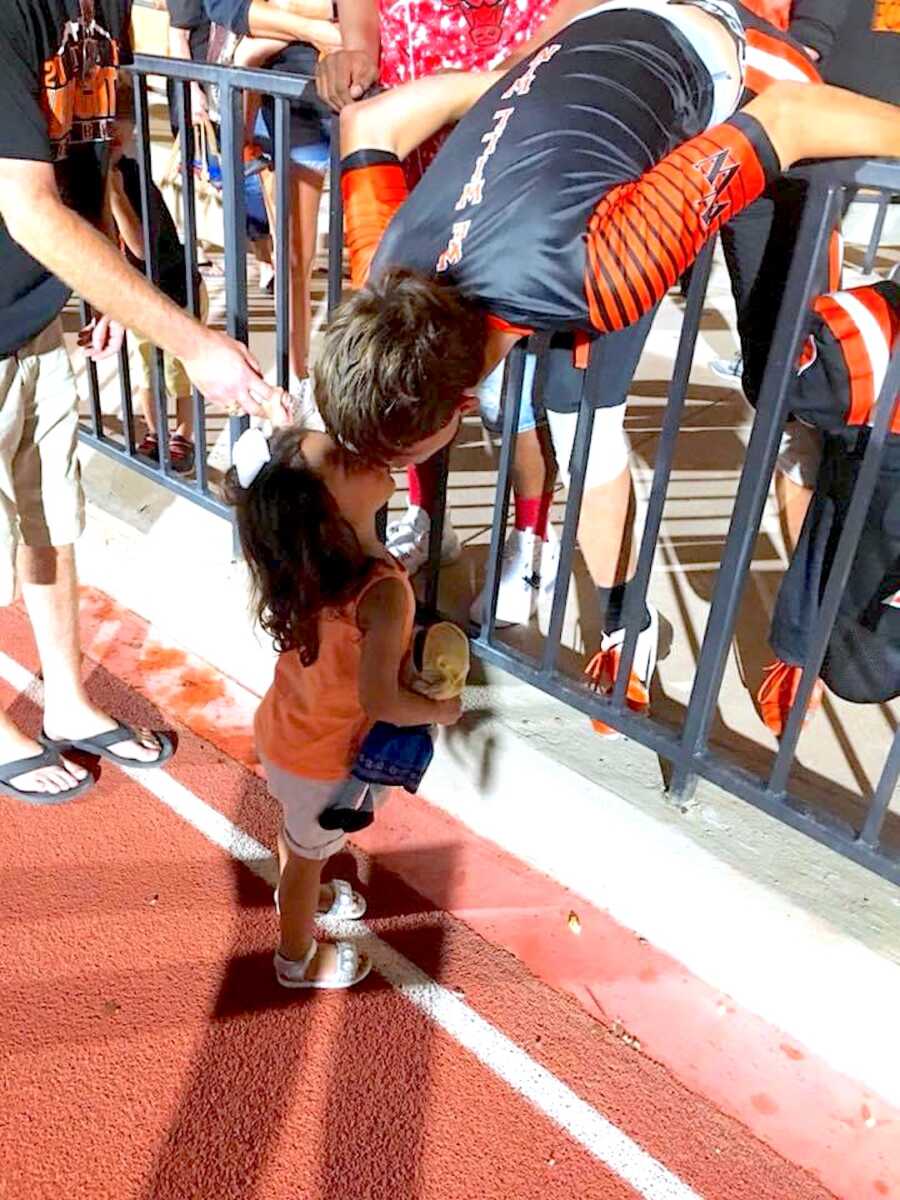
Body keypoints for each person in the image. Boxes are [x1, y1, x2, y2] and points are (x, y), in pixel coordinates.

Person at [315, 0, 900, 723]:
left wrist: (522, 79)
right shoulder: (379, 271)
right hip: (604, 109)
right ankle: (630, 627)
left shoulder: (598, 267)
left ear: (462, 407)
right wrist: (511, 83)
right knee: (574, 413)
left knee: (791, 378)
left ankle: (802, 643)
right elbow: (367, 125)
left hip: (746, 82)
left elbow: (792, 120)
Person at [0, 0, 273, 805]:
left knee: (53, 513)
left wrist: (95, 277)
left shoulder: (103, 6)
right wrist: (194, 343)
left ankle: (71, 705)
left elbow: (99, 150)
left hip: (31, 315)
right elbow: (25, 204)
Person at [227, 416, 461, 989]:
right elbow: (380, 698)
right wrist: (441, 711)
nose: (362, 452)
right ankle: (295, 958)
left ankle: (301, 887)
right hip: (322, 761)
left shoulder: (317, 571)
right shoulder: (379, 590)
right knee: (307, 851)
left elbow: (353, 664)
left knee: (301, 839)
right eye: (344, 458)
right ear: (328, 514)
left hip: (288, 732)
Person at [205, 0, 342, 384]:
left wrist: (273, 27)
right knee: (293, 257)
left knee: (382, 254)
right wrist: (315, 27)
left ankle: (367, 386)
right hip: (289, 97)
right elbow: (228, 9)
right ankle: (296, 379)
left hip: (357, 90)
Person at [108, 153, 209, 473]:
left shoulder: (131, 179)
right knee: (147, 369)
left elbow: (140, 247)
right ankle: (156, 432)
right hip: (137, 297)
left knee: (180, 370)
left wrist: (115, 195)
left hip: (176, 292)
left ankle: (184, 436)